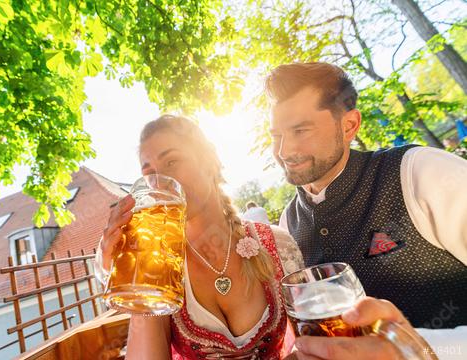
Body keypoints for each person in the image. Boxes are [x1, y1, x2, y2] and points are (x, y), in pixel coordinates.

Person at [266, 62, 467, 358]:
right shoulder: (288, 223)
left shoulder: (419, 172)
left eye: (300, 130)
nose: (284, 152)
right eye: (276, 135)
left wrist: (416, 349)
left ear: (349, 126)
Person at [100, 115, 304, 359]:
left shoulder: (277, 244)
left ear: (209, 162)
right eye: (150, 173)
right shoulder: (161, 269)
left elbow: (312, 341)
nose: (161, 183)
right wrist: (143, 282)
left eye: (172, 162)